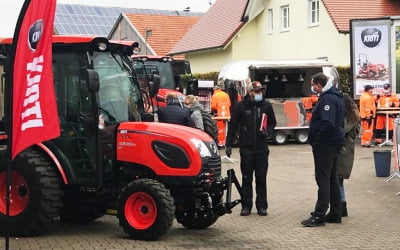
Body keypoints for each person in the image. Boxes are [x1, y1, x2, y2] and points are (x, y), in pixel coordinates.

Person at [225, 81, 276, 216]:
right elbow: (233, 124)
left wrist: (268, 132)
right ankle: (246, 205)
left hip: (261, 148)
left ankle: (262, 206)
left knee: (261, 178)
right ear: (250, 92)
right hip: (246, 148)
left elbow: (272, 123)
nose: (260, 93)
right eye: (257, 91)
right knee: (246, 178)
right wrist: (228, 143)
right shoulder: (241, 106)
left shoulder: (266, 106)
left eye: (261, 91)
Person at [301, 72, 345, 227]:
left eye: (313, 84)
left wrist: (317, 141)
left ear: (319, 84)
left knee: (323, 178)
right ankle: (335, 212)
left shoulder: (328, 99)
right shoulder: (335, 96)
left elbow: (327, 123)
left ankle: (319, 215)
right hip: (334, 142)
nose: (313, 88)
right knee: (332, 178)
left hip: (326, 144)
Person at [334, 94, 360, 217]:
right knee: (339, 180)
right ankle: (341, 205)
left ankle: (341, 206)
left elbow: (343, 131)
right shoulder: (353, 116)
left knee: (338, 179)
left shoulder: (350, 118)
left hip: (344, 151)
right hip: (346, 150)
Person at [211, 82, 231, 147]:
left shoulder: (214, 95)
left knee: (220, 129)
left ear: (214, 90)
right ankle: (226, 142)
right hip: (227, 114)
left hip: (219, 115)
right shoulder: (226, 94)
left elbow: (213, 106)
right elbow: (229, 104)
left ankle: (220, 143)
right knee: (226, 129)